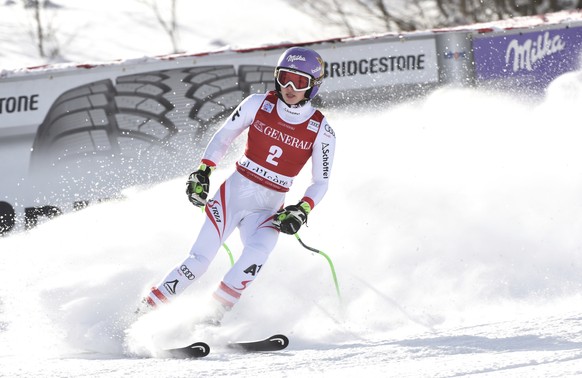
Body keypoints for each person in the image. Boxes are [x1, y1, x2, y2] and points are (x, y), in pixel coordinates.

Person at [139, 46, 336, 324]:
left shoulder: (321, 130)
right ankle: (148, 309)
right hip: (233, 194)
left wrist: (302, 209)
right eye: (284, 78)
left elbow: (321, 182)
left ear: (314, 86)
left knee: (257, 254)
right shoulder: (257, 103)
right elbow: (225, 136)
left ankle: (211, 316)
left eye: (300, 81)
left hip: (268, 207)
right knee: (198, 261)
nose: (290, 87)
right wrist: (204, 170)